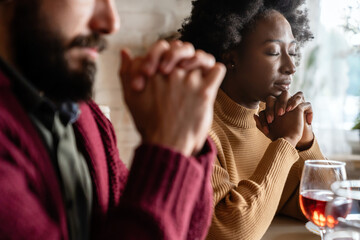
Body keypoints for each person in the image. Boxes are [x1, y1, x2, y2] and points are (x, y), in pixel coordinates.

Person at [0, 0, 226, 239]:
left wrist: (187, 137)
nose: (111, 23)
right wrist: (169, 149)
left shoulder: (83, 115)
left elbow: (178, 231)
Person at [179, 0, 325, 239]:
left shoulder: (275, 123)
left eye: (293, 52)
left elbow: (328, 207)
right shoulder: (196, 130)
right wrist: (287, 142)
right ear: (231, 56)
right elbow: (231, 231)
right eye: (274, 52)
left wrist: (304, 141)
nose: (291, 67)